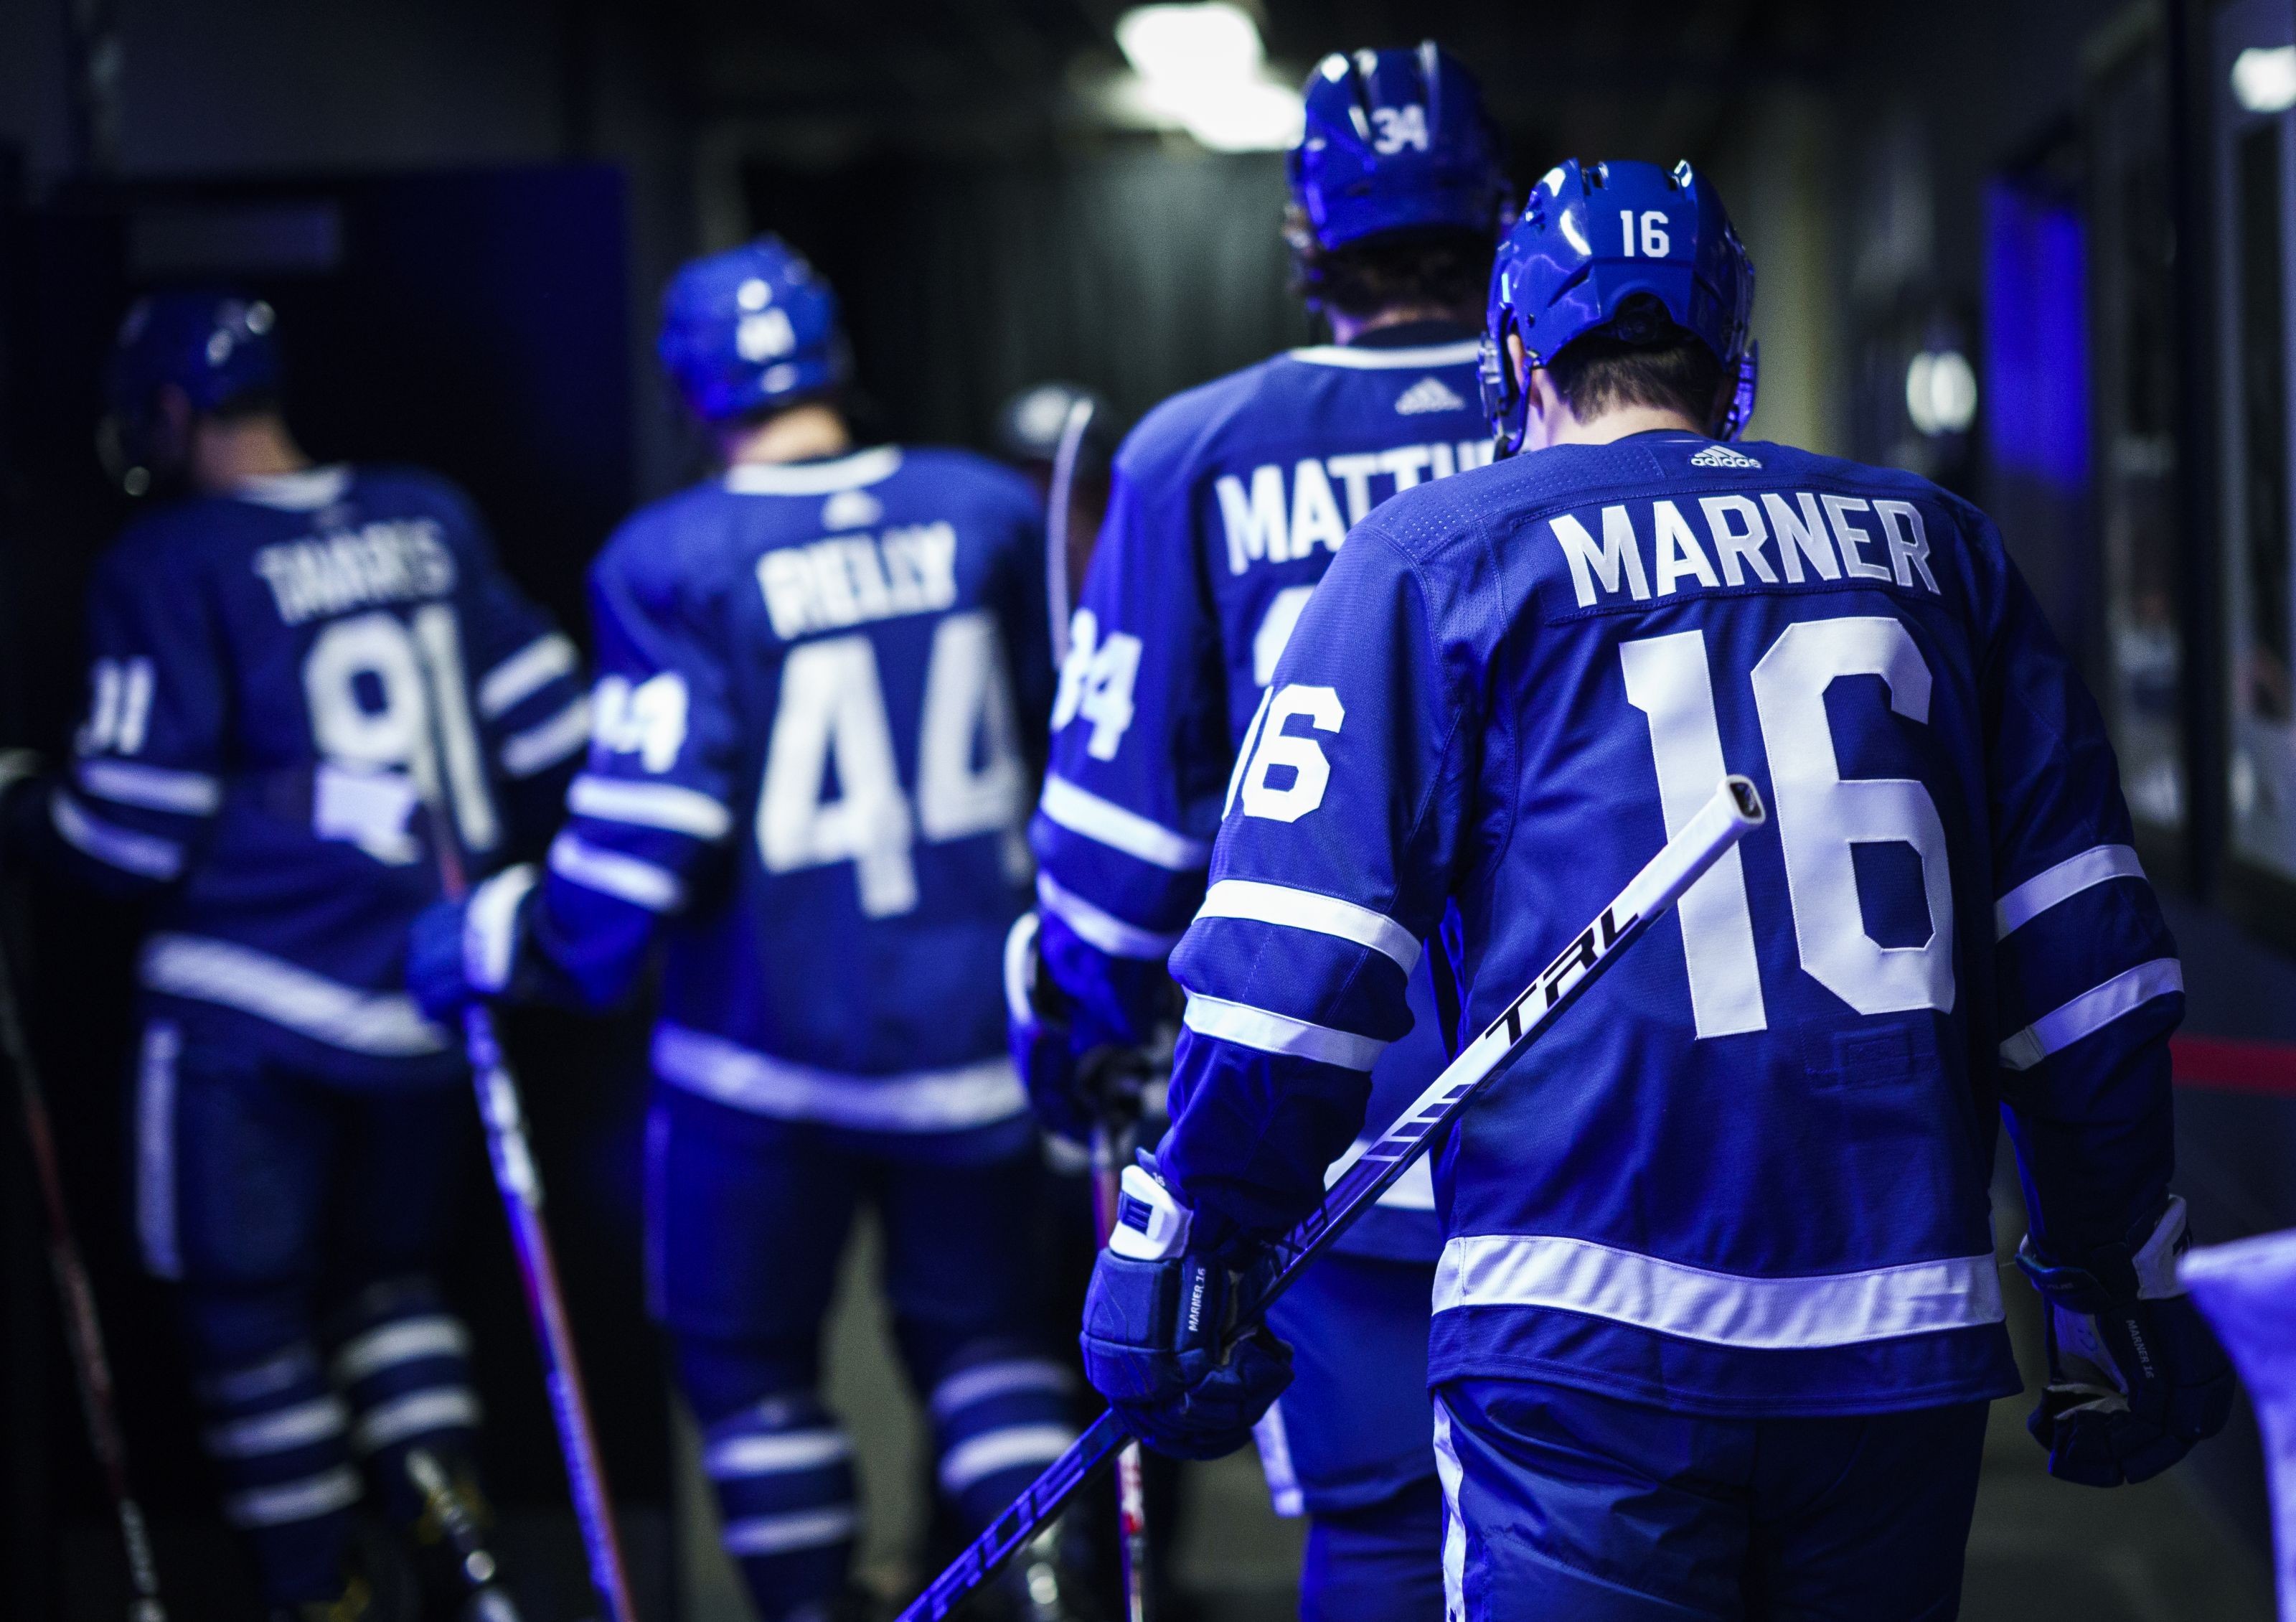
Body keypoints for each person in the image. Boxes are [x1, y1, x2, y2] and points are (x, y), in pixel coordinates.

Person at [1071, 159, 2234, 1620]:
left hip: (1583, 1338)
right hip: (1900, 1328)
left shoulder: (1438, 555)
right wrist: (2121, 1276)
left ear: (1515, 352)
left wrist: (1186, 1227)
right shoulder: (1941, 551)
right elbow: (2084, 970)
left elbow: (1294, 967)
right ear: (1732, 361)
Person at [405, 237, 1078, 1622]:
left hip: (757, 1060)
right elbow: (1069, 744)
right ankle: (1046, 1604)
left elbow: (637, 855)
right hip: (977, 1037)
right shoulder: (980, 512)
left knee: (749, 1363)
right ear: (834, 355)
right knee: (994, 1349)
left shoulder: (674, 556)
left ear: (690, 389)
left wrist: (506, 940)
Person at [1004, 43, 1507, 1622]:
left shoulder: (1195, 449)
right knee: (1606, 1536)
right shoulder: (1582, 427)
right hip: (1614, 1105)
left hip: (1329, 1102)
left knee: (1375, 1527)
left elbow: (1113, 849)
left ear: (1305, 239)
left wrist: (1074, 1011)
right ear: (1494, 219)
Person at [1, 291, 588, 1620]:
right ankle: (457, 1536)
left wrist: (25, 805)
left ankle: (318, 1589)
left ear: (163, 410)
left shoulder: (167, 560)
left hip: (249, 1010)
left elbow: (132, 829)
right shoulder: (426, 514)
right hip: (430, 1001)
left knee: (244, 1318)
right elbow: (557, 727)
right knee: (393, 1282)